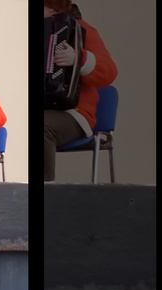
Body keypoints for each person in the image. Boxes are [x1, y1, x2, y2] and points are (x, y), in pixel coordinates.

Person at [44, 0, 117, 181]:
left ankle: (47, 194)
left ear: (52, 8)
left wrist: (79, 59)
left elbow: (110, 72)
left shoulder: (81, 30)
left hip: (75, 113)